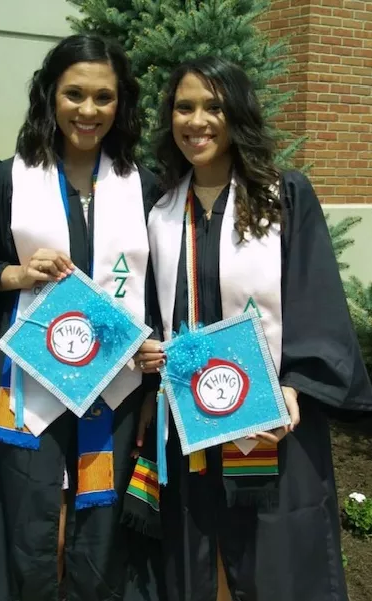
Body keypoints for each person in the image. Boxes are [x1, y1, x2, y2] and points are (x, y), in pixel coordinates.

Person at [134, 56, 372, 601]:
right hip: (187, 417)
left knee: (276, 557)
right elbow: (152, 307)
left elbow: (315, 294)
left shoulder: (282, 195)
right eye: (184, 107)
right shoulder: (163, 207)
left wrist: (295, 385)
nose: (197, 121)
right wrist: (148, 368)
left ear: (236, 113)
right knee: (194, 551)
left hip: (272, 416)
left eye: (213, 106)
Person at [0, 34, 165, 601]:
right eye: (74, 94)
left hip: (116, 390)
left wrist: (155, 350)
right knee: (28, 516)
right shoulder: (8, 180)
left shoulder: (146, 188)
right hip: (27, 388)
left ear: (121, 105)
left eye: (104, 97)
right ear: (49, 96)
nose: (88, 111)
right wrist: (16, 275)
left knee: (103, 528)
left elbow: (168, 290)